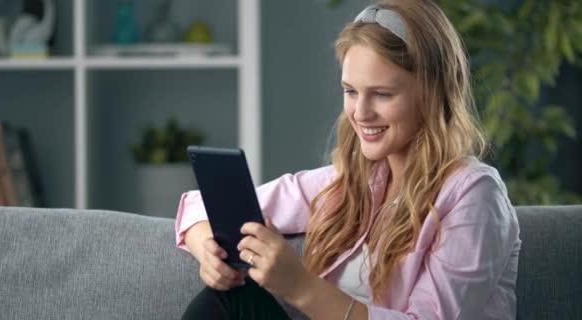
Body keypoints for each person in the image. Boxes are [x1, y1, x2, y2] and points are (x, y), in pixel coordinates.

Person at [175, 0, 521, 319]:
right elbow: (197, 207)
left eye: (382, 94)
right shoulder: (353, 182)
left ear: (432, 93)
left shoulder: (473, 193)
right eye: (351, 91)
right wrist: (208, 250)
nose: (360, 112)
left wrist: (300, 287)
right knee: (225, 299)